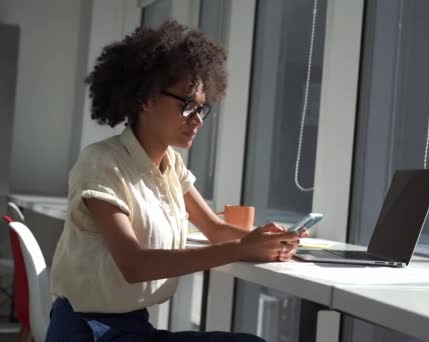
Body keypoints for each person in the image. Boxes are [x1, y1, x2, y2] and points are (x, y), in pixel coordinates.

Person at [46, 20, 307, 341]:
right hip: (89, 332)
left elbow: (215, 229)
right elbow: (135, 265)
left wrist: (270, 242)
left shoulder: (171, 166)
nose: (197, 120)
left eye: (201, 108)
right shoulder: (102, 162)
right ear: (145, 98)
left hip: (134, 327)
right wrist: (240, 249)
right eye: (186, 105)